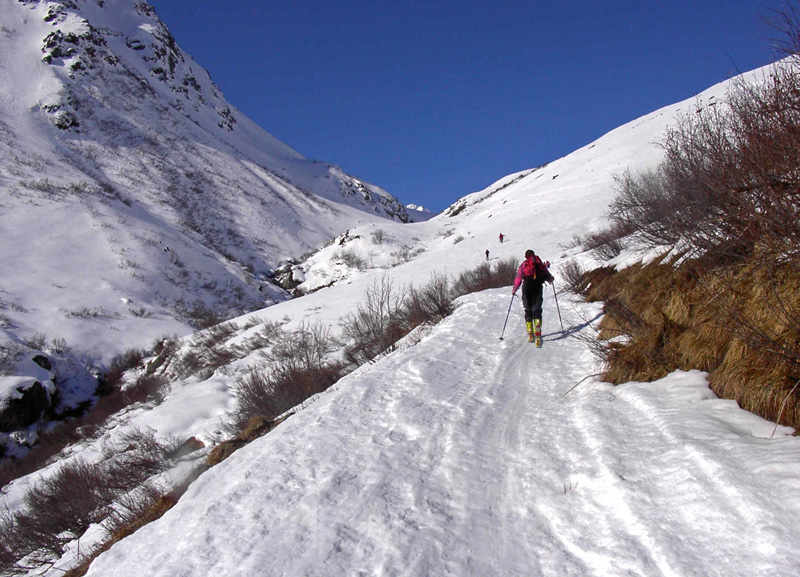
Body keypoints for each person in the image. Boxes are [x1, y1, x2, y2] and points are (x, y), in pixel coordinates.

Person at [511, 249, 554, 344]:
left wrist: (514, 289)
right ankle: (537, 326)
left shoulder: (524, 265)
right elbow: (548, 277)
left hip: (527, 287)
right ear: (534, 254)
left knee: (528, 309)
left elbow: (518, 278)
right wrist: (551, 279)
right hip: (538, 287)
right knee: (537, 308)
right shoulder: (540, 264)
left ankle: (530, 330)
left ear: (526, 256)